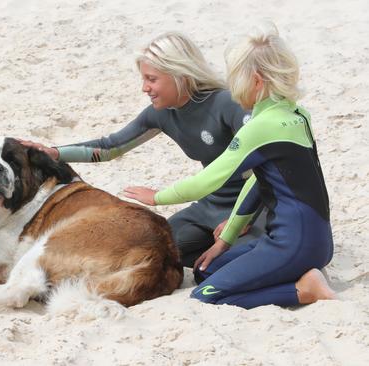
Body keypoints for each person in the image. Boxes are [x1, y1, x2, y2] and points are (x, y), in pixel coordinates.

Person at [123, 22, 336, 309]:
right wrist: (226, 239)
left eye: (236, 78)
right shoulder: (297, 114)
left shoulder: (259, 128)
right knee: (204, 270)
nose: (232, 87)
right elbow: (260, 183)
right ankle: (301, 273)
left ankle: (303, 290)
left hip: (292, 245)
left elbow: (206, 182)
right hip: (318, 240)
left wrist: (157, 197)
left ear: (257, 81)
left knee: (205, 295)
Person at [21, 31, 265, 268]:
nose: (144, 88)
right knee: (157, 252)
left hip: (256, 206)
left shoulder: (226, 103)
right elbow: (109, 148)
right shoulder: (162, 114)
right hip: (210, 205)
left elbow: (268, 162)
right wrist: (55, 153)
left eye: (152, 79)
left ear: (180, 74)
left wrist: (240, 218)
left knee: (229, 266)